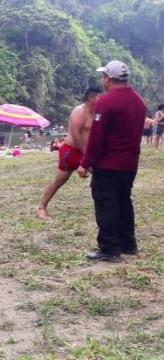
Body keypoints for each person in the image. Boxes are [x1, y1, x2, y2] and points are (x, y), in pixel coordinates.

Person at [77, 60, 147, 262]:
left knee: (107, 204)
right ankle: (128, 244)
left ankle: (109, 248)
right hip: (129, 163)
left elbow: (97, 138)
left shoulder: (105, 103)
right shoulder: (139, 102)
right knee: (124, 201)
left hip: (108, 164)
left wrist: (86, 162)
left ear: (108, 78)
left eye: (103, 76)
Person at [37, 87, 103, 220]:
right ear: (91, 98)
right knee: (60, 180)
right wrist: (86, 155)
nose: (102, 100)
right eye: (99, 97)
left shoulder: (97, 112)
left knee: (101, 175)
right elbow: (76, 134)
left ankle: (105, 206)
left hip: (86, 151)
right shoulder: (79, 111)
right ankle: (41, 207)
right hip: (71, 150)